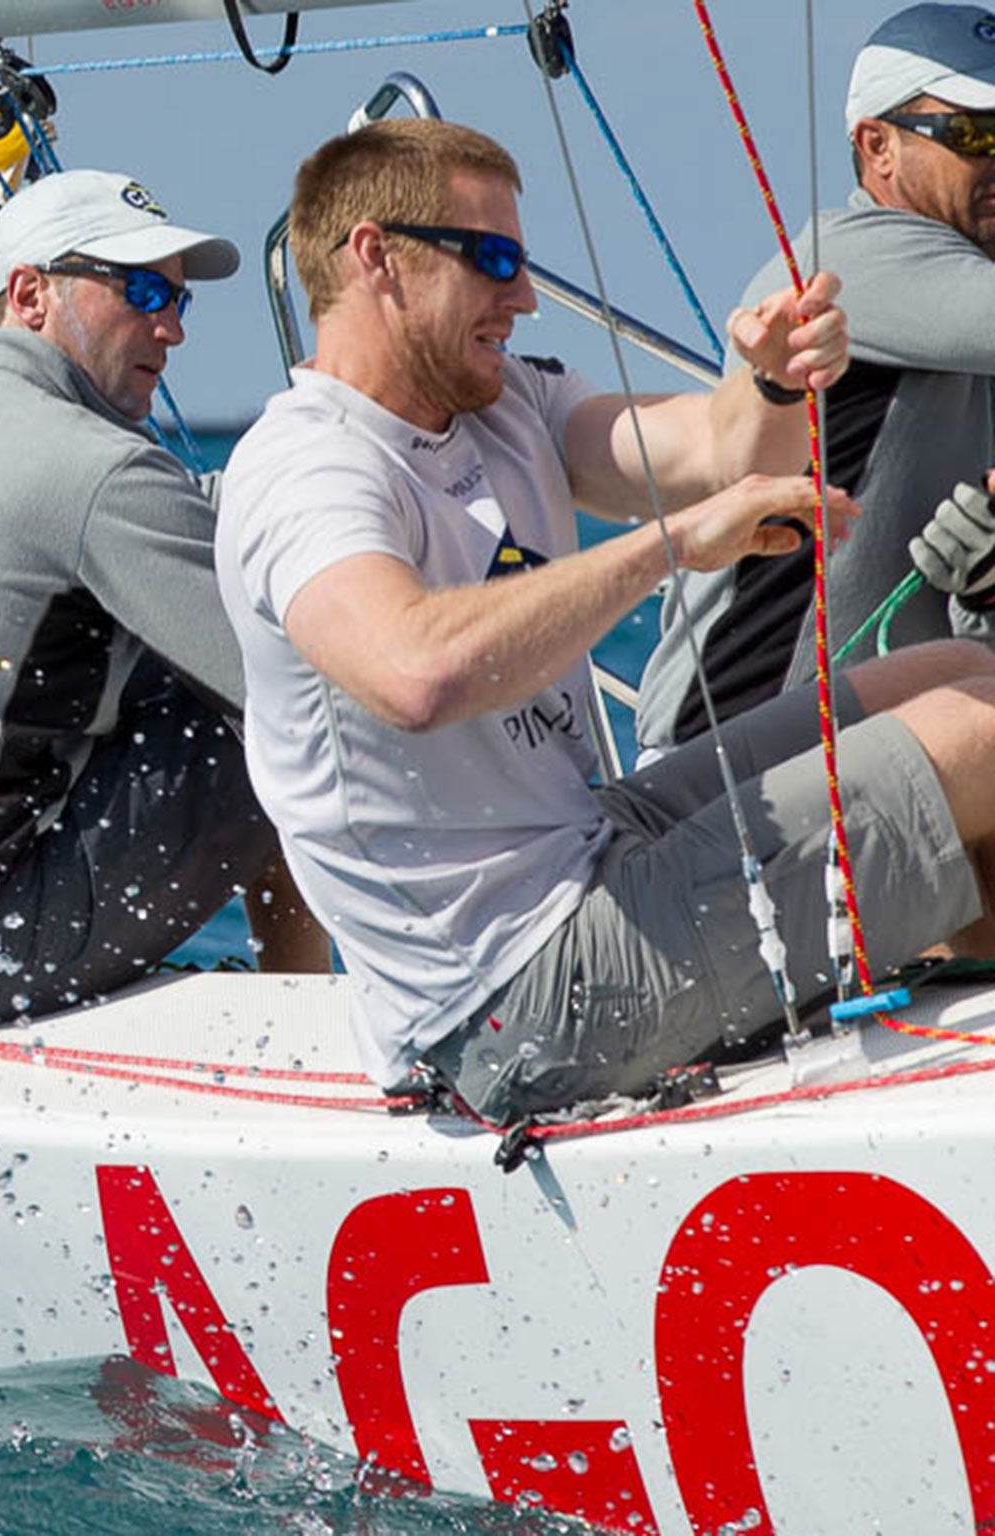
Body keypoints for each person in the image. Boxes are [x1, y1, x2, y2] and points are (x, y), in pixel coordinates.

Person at [215, 116, 995, 1124]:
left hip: (585, 855)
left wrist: (765, 381)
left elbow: (713, 454)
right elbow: (411, 674)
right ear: (376, 258)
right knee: (977, 740)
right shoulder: (306, 469)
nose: (525, 297)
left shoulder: (509, 405)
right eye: (492, 261)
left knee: (947, 674)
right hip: (506, 997)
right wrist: (666, 545)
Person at [0, 168, 327, 1026]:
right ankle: (318, 1014)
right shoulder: (94, 468)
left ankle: (302, 989)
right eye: (142, 290)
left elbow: (152, 528)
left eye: (181, 301)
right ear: (30, 294)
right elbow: (301, 696)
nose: (172, 328)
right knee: (300, 709)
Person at [637, 2, 995, 759]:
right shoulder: (849, 264)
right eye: (975, 134)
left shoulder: (965, 321)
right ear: (878, 146)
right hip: (733, 774)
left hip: (868, 757)